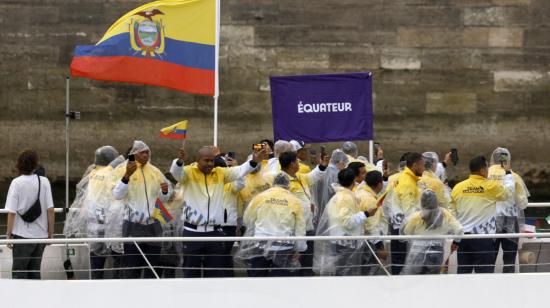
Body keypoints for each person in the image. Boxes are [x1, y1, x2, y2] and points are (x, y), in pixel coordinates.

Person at [170, 145, 265, 277]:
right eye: (206, 160)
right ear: (198, 160)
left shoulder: (220, 173)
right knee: (190, 273)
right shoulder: (188, 173)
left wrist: (254, 161)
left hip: (214, 233)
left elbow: (239, 171)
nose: (209, 164)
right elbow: (176, 173)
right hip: (192, 233)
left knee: (215, 274)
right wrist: (179, 162)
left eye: (211, 161)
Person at [112, 141, 173, 279]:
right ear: (133, 153)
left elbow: (163, 199)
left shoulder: (155, 171)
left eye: (147, 152)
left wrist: (164, 192)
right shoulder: (122, 169)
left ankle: (151, 296)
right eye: (142, 152)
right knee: (132, 268)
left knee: (152, 267)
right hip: (132, 225)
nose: (146, 155)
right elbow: (117, 195)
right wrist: (127, 175)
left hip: (153, 224)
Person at [64, 145, 125, 279]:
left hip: (94, 226)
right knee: (118, 263)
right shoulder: (111, 173)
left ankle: (96, 288)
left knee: (96, 266)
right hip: (110, 227)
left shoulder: (93, 174)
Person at [450, 155, 514, 274]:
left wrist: (456, 240)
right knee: (485, 276)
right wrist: (508, 173)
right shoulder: (490, 186)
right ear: (482, 170)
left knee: (463, 275)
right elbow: (508, 192)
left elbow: (453, 216)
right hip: (483, 240)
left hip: (463, 239)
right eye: (487, 168)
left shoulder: (457, 188)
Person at [238, 173, 306, 277]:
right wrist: (299, 249)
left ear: (273, 183)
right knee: (279, 281)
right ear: (288, 185)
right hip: (284, 246)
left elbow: (247, 219)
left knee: (257, 277)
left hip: (260, 244)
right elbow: (300, 228)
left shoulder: (260, 197)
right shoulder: (295, 201)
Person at [314, 168, 375, 276]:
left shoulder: (338, 196)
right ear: (353, 181)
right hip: (346, 244)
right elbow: (347, 222)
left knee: (342, 274)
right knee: (346, 276)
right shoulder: (346, 198)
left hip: (340, 241)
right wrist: (366, 214)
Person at [5, 150, 55, 279]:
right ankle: (35, 298)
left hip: (21, 236)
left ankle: (20, 298)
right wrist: (51, 232)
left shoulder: (16, 183)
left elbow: (12, 212)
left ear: (19, 165)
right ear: (35, 165)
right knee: (35, 272)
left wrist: (9, 234)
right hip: (41, 236)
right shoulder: (44, 181)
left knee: (19, 273)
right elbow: (50, 210)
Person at [279, 151, 328, 276]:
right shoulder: (282, 180)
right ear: (292, 163)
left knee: (307, 262)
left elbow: (313, 176)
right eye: (297, 161)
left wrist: (322, 166)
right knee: (295, 263)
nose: (299, 163)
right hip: (294, 229)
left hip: (308, 226)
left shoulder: (299, 177)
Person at [401, 190, 463, 275]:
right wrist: (456, 241)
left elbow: (406, 232)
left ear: (421, 202)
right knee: (432, 281)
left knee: (414, 281)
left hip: (417, 250)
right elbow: (459, 229)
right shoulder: (444, 214)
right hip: (437, 250)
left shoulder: (417, 216)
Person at [488, 147, 530, 273]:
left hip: (490, 221)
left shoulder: (485, 174)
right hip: (510, 220)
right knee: (510, 258)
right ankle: (509, 287)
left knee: (489, 257)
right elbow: (523, 204)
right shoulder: (514, 176)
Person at [382, 152, 424, 275]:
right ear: (415, 165)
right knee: (403, 264)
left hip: (396, 226)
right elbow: (409, 211)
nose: (424, 168)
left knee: (398, 262)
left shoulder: (399, 178)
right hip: (404, 230)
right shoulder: (408, 183)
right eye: (422, 165)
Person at [214, 155, 245, 276]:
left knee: (225, 254)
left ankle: (229, 279)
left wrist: (236, 168)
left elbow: (241, 183)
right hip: (213, 225)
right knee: (215, 256)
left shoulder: (231, 183)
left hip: (228, 226)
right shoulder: (208, 183)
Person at [312, 149, 349, 225]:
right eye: (344, 164)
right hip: (332, 210)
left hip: (318, 209)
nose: (344, 167)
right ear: (340, 163)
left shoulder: (321, 170)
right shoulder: (337, 174)